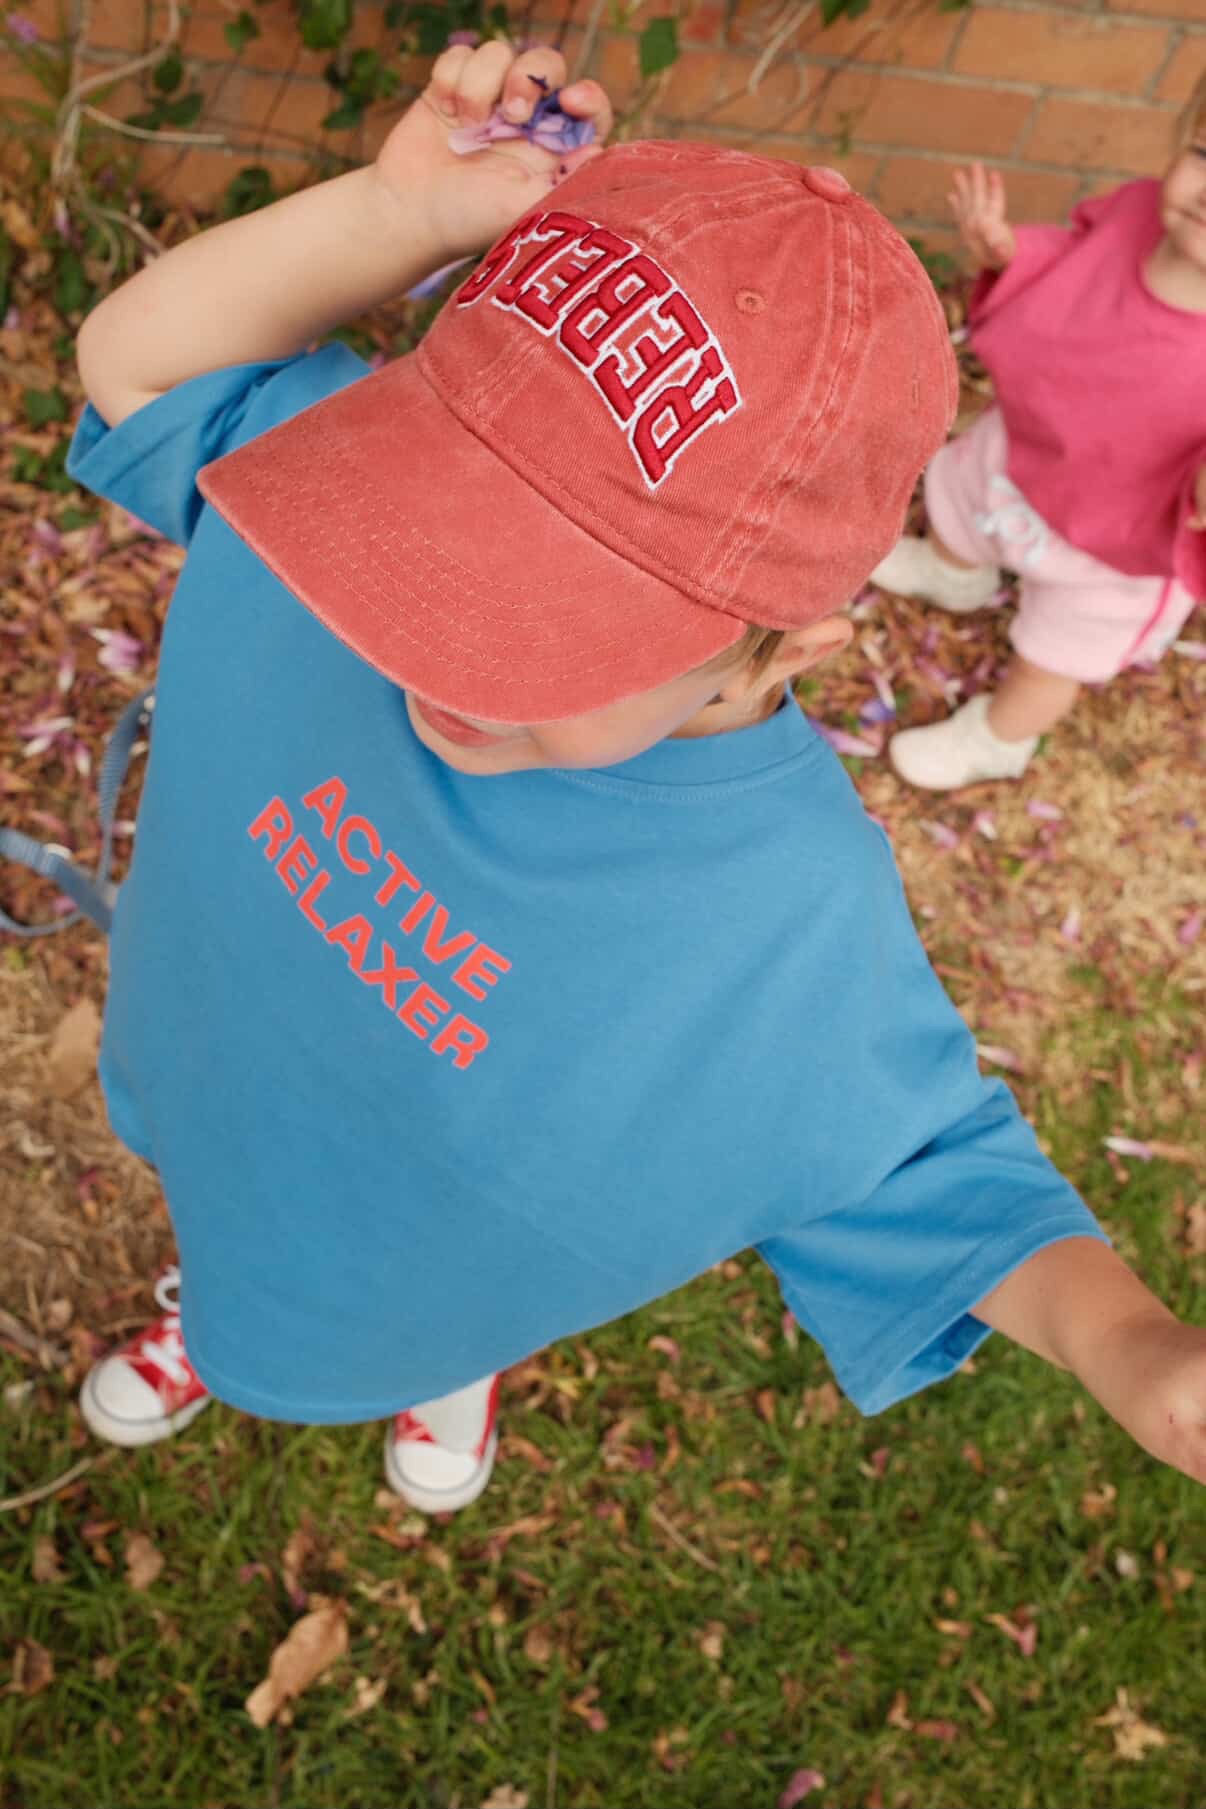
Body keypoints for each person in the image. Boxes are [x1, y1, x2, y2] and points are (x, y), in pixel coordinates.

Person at [62, 42, 1205, 1517]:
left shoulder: (782, 904)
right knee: (229, 1207)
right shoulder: (305, 487)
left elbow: (921, 1165)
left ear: (774, 653)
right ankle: (212, 1297)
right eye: (428, 533)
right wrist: (398, 215)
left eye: (549, 628)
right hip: (219, 1064)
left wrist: (1127, 1348)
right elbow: (142, 370)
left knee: (419, 1290)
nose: (439, 653)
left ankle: (446, 1359)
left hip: (433, 1249)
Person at [883, 87, 1206, 792]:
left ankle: (1000, 736)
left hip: (1121, 541)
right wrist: (1013, 254)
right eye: (1205, 153)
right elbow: (1074, 262)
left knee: (1051, 657)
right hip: (1034, 448)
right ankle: (954, 573)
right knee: (961, 500)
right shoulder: (1136, 216)